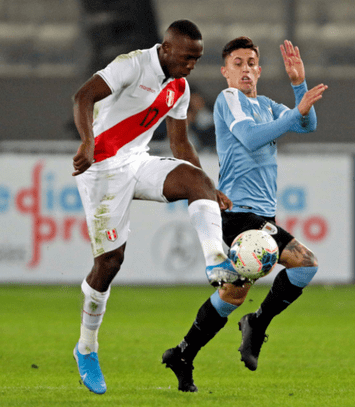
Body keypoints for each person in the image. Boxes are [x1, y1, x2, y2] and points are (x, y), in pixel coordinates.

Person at [71, 20, 242, 395]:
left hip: (136, 161)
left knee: (197, 181)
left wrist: (209, 187)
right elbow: (83, 97)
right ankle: (86, 347)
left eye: (196, 60)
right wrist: (86, 143)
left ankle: (216, 259)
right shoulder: (131, 65)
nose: (191, 65)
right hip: (100, 169)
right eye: (186, 57)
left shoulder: (179, 87)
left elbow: (180, 145)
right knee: (109, 264)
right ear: (166, 49)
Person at [162, 37, 328, 392]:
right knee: (306, 262)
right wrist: (295, 113)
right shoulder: (229, 100)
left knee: (233, 294)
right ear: (225, 72)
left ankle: (183, 354)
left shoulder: (266, 105)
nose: (246, 69)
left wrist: (298, 84)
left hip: (258, 214)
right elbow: (251, 139)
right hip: (238, 214)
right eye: (238, 63)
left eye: (252, 63)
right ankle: (257, 323)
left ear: (259, 70)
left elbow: (307, 124)